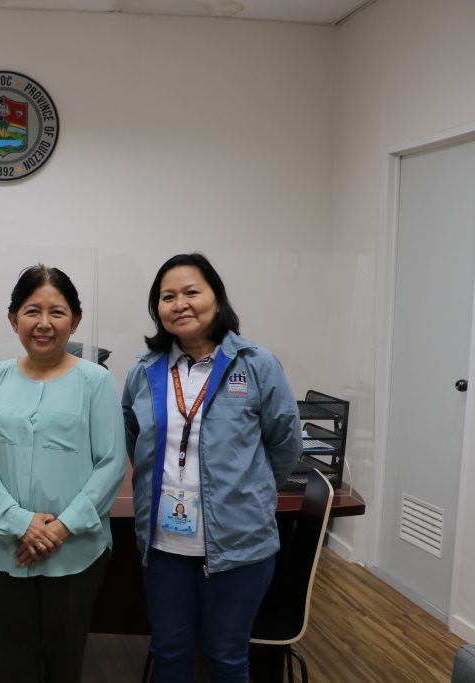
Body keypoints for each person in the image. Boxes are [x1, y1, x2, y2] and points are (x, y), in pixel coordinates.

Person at [121, 253, 301, 682]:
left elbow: (285, 444)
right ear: (158, 310)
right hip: (164, 546)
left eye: (191, 292)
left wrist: (247, 494)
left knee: (226, 657)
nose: (179, 303)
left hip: (239, 546)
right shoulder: (144, 371)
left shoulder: (257, 365)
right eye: (167, 297)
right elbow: (134, 438)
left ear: (217, 299)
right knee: (169, 654)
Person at [0, 265, 126, 683]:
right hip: (4, 546)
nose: (44, 323)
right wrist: (21, 523)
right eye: (31, 311)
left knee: (64, 659)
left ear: (75, 320)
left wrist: (61, 529)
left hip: (74, 550)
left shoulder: (96, 381)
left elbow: (110, 462)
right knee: (10, 658)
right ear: (12, 318)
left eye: (57, 312)